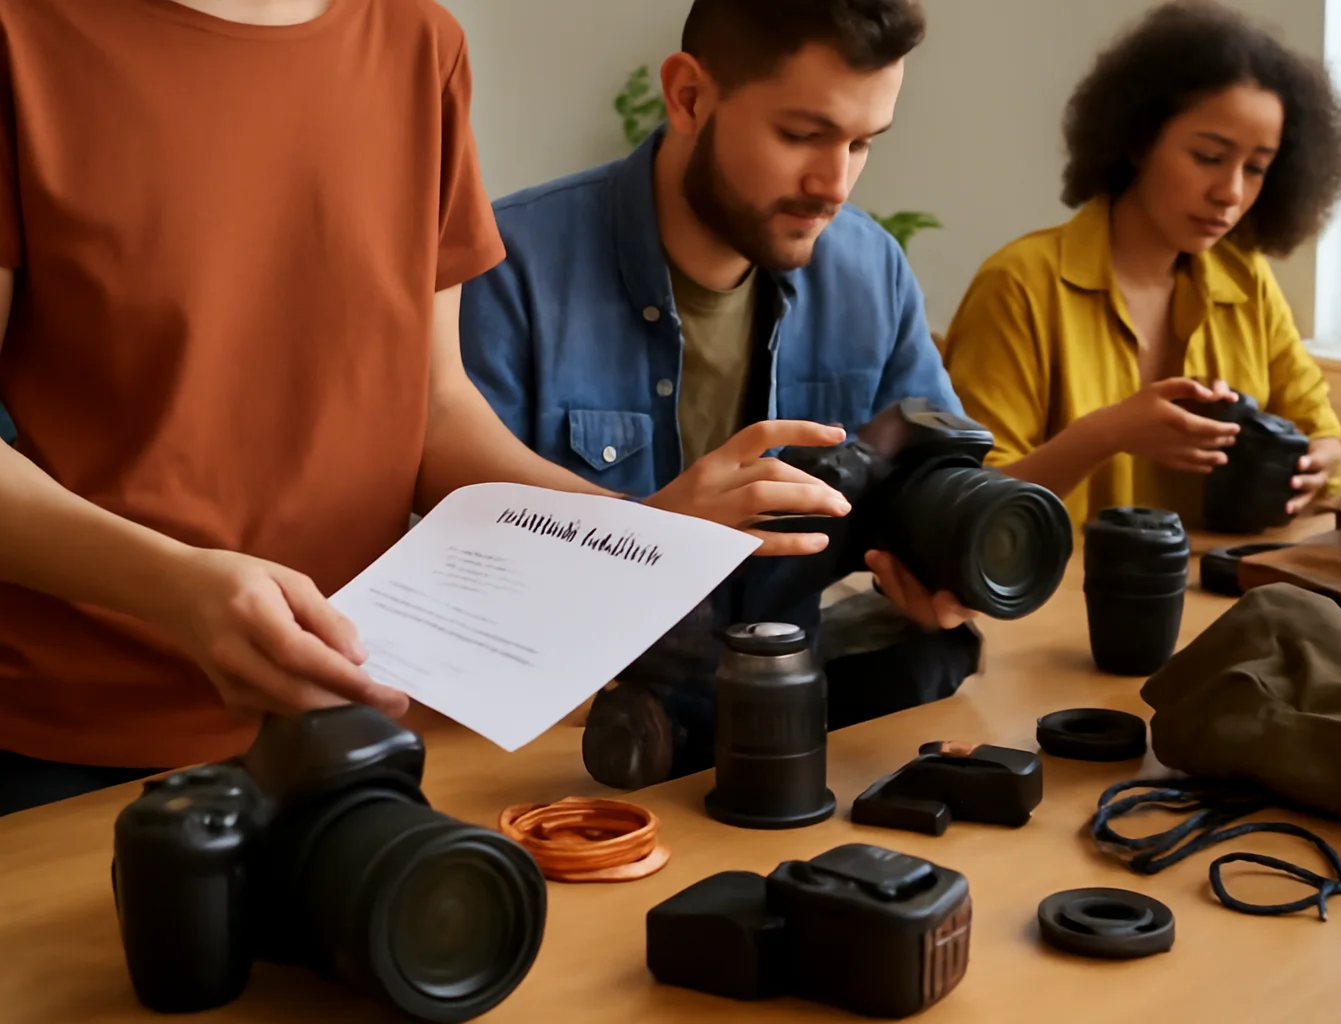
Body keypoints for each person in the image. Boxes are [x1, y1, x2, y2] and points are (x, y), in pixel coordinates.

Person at [0, 0, 849, 816]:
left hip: (371, 721)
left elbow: (435, 413)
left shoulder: (418, 40)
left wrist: (628, 537)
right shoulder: (24, 36)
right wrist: (175, 589)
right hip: (85, 746)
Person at [460, 0, 985, 788]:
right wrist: (640, 538)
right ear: (689, 97)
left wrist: (942, 568)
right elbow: (462, 585)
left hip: (797, 743)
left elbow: (940, 475)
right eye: (801, 135)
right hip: (568, 761)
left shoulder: (869, 272)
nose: (832, 184)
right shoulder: (510, 272)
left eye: (861, 143)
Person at [941, 1, 1341, 530]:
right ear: (1137, 140)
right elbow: (968, 502)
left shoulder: (1245, 279)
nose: (1230, 193)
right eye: (1208, 157)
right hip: (1053, 602)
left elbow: (1319, 427)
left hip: (1210, 593)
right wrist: (1107, 434)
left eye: (1256, 169)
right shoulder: (1020, 283)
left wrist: (1320, 459)